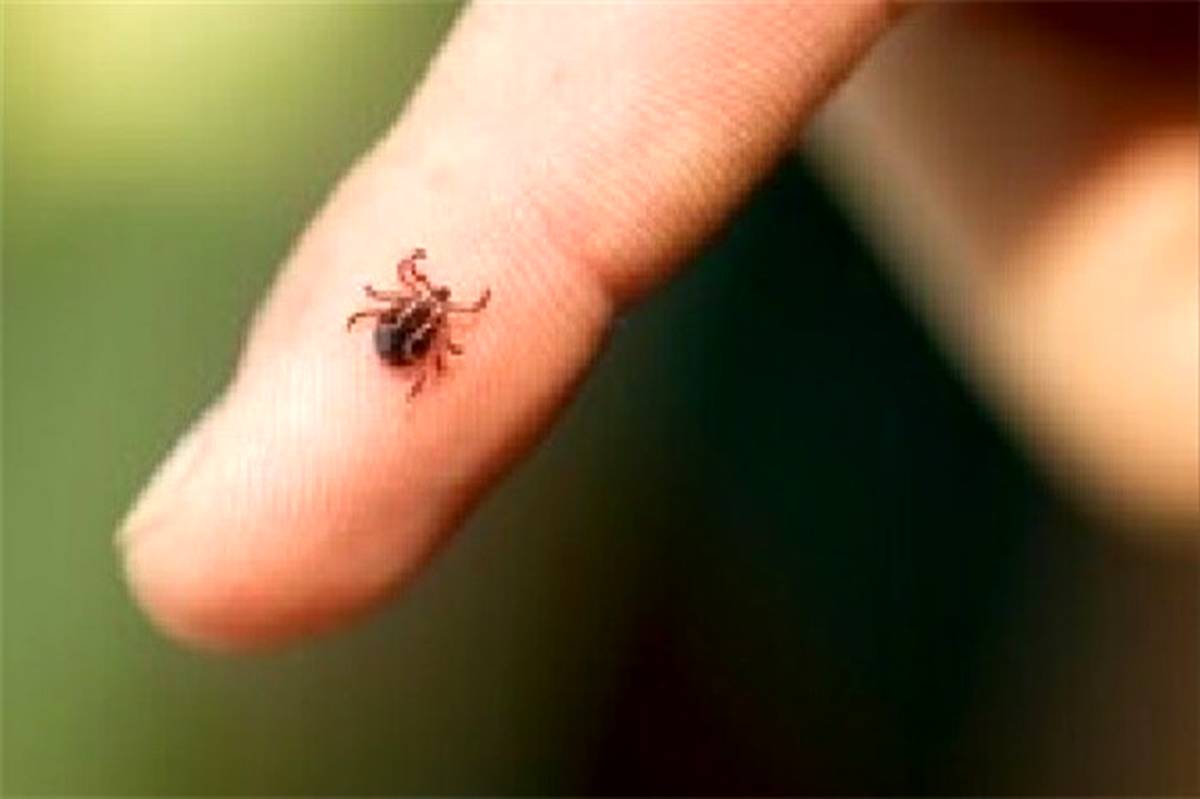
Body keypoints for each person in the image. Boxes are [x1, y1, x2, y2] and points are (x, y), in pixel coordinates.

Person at [117, 3, 1198, 650]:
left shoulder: (417, 312)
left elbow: (413, 322)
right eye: (417, 312)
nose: (418, 314)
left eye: (415, 311)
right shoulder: (428, 314)